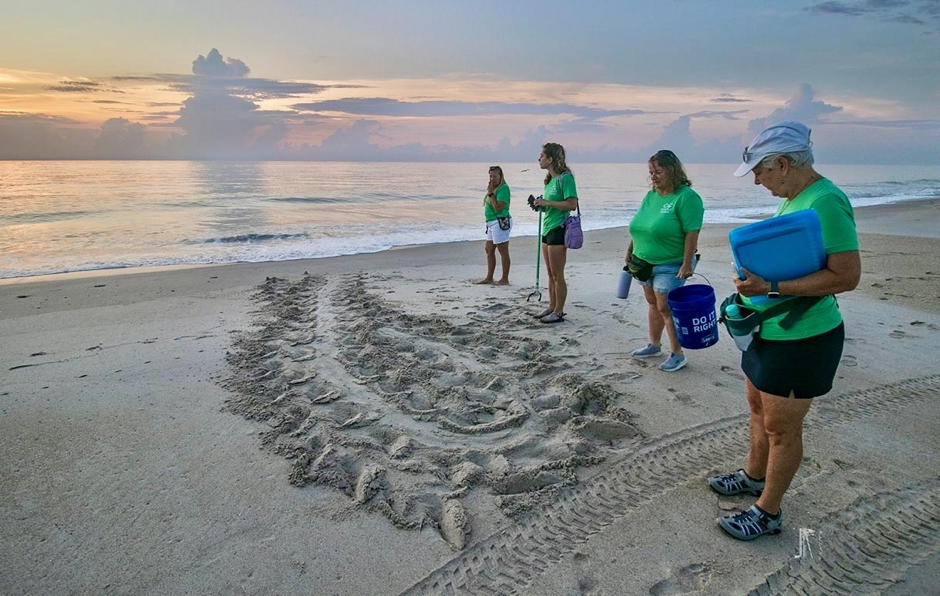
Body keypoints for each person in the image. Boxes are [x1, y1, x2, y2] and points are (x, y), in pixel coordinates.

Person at [709, 121, 861, 540]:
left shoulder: (826, 201)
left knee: (782, 428)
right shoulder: (795, 198)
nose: (757, 181)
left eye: (759, 171)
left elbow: (847, 276)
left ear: (782, 163)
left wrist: (770, 286)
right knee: (758, 409)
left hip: (804, 337)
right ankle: (753, 476)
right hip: (770, 330)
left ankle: (768, 512)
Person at [625, 150, 703, 372]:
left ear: (673, 171)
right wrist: (630, 250)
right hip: (643, 262)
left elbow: (692, 233)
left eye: (658, 172)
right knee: (652, 302)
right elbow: (640, 225)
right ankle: (654, 345)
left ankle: (678, 354)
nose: (653, 176)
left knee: (665, 306)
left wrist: (686, 264)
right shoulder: (651, 196)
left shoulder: (686, 197)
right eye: (651, 172)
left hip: (672, 262)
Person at [532, 143, 579, 324]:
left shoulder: (565, 178)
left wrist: (547, 203)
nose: (539, 159)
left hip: (558, 228)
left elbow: (571, 204)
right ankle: (551, 306)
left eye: (542, 156)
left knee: (558, 274)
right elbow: (551, 206)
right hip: (547, 227)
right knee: (550, 273)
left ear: (550, 159)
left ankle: (559, 311)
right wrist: (540, 205)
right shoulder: (549, 180)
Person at [475, 165, 512, 285]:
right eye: (490, 176)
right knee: (489, 249)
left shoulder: (503, 188)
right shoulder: (493, 189)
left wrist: (490, 194)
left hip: (500, 221)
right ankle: (489, 277)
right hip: (491, 222)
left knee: (503, 250)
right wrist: (490, 192)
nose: (492, 179)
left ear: (501, 176)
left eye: (495, 176)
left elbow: (498, 207)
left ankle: (504, 278)